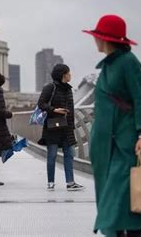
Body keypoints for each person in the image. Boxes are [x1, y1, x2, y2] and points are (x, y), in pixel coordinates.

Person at [83, 14, 141, 237]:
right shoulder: (109, 65)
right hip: (105, 148)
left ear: (105, 39)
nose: (94, 40)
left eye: (96, 36)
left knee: (126, 197)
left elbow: (139, 99)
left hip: (126, 144)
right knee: (110, 197)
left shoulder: (128, 63)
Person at [37, 64, 84, 192]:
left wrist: (72, 126)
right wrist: (54, 110)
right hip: (53, 127)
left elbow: (72, 110)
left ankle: (70, 182)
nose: (70, 75)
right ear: (63, 75)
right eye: (69, 73)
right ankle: (50, 183)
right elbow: (41, 104)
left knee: (69, 155)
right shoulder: (50, 87)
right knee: (51, 156)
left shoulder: (68, 89)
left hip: (67, 128)